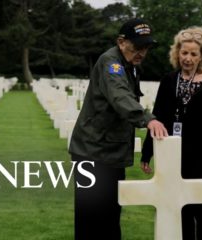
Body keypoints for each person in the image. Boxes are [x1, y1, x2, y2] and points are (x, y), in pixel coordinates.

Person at [69, 18, 168, 240]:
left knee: (110, 216)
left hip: (110, 151)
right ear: (121, 42)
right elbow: (119, 95)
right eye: (137, 46)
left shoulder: (129, 65)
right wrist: (147, 119)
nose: (142, 52)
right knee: (91, 219)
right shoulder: (111, 63)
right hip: (93, 152)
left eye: (146, 48)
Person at [140, 26, 202, 240]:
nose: (188, 58)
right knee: (182, 212)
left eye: (193, 54)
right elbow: (158, 117)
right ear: (177, 53)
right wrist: (147, 152)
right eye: (184, 53)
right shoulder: (169, 80)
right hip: (174, 156)